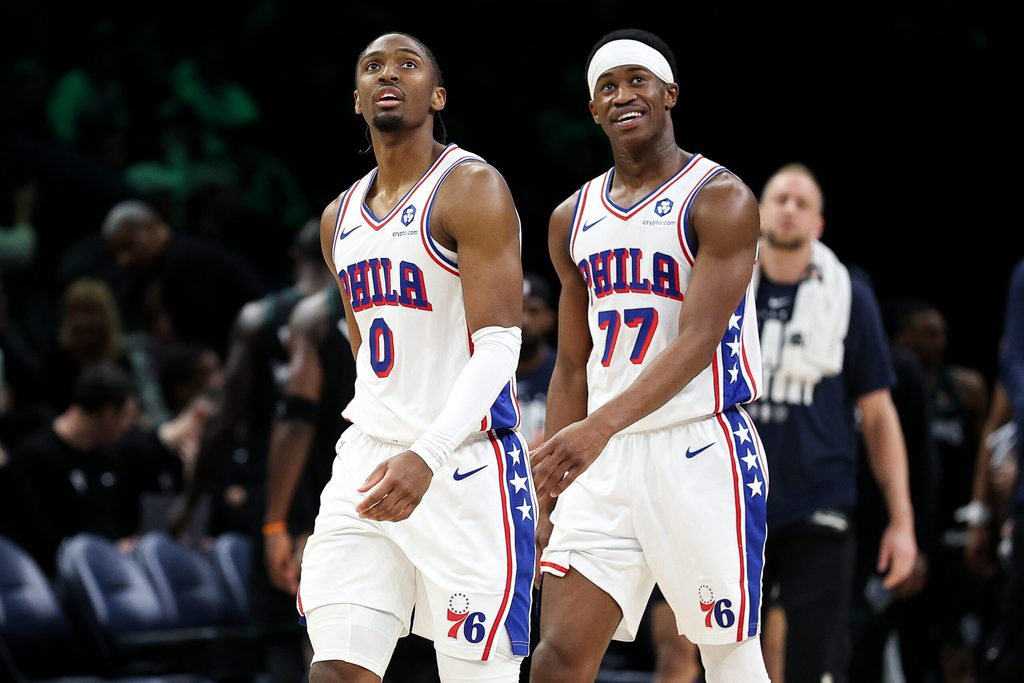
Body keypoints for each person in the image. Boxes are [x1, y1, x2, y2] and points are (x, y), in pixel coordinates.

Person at [530, 29, 770, 683]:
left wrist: (597, 427)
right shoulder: (570, 217)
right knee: (555, 659)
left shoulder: (720, 198)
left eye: (638, 80)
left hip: (696, 446)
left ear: (670, 94)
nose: (622, 95)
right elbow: (573, 364)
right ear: (593, 110)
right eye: (607, 86)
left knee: (726, 655)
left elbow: (700, 339)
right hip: (600, 459)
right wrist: (552, 486)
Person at [295, 32, 530, 683]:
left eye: (407, 63)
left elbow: (501, 345)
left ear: (438, 94)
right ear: (357, 98)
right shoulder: (336, 217)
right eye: (372, 66)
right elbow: (363, 344)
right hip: (369, 462)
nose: (387, 73)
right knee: (336, 669)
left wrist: (426, 451)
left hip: (462, 465)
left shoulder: (471, 187)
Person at [746, 163, 917, 682]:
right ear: (757, 213)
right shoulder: (723, 285)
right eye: (780, 199)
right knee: (723, 657)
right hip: (732, 500)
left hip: (817, 502)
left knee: (815, 664)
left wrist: (902, 519)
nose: (790, 209)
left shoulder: (850, 296)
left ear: (819, 224)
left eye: (803, 203)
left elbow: (879, 415)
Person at [101, 199, 267, 356]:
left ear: (150, 226)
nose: (123, 260)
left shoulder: (185, 262)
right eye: (116, 252)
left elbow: (201, 337)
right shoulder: (165, 262)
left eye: (128, 245)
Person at [517, 273, 557, 449]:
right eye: (518, 310)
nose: (524, 320)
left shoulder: (565, 372)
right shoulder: (484, 372)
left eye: (533, 311)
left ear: (550, 318)